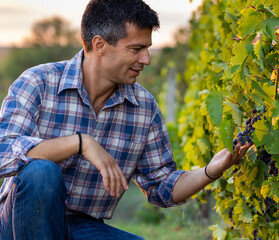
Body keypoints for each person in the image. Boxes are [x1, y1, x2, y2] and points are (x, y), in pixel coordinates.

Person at [0, 0, 252, 239]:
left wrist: (210, 171)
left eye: (147, 49)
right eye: (136, 49)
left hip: (82, 226)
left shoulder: (144, 107)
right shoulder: (38, 83)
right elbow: (3, 153)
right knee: (41, 171)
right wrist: (80, 143)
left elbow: (161, 186)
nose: (147, 60)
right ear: (99, 45)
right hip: (16, 223)